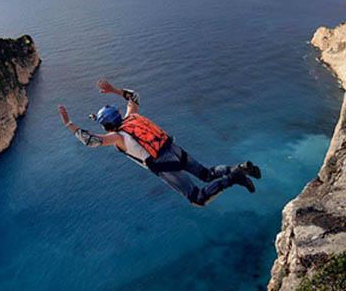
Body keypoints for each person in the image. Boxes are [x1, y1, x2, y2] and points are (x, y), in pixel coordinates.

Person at [57, 79, 261, 206]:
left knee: (197, 198)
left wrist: (69, 124)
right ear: (118, 115)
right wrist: (113, 90)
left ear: (106, 126)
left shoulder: (118, 138)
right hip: (174, 149)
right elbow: (134, 96)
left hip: (164, 165)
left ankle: (235, 178)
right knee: (206, 174)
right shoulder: (133, 116)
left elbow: (91, 141)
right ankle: (240, 167)